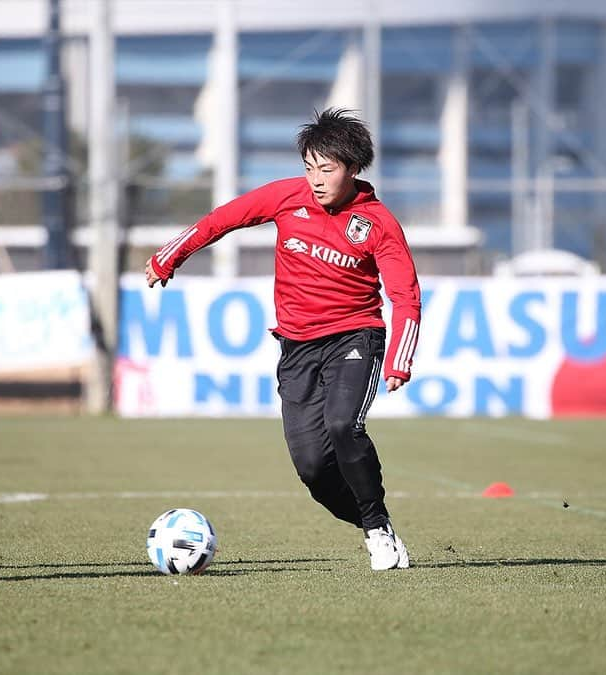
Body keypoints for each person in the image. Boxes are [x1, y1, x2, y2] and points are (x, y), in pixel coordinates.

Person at [145, 108, 421, 571]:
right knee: (313, 469)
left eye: (326, 169)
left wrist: (399, 360)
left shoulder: (378, 224)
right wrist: (168, 257)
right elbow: (221, 220)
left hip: (356, 336)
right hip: (296, 347)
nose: (315, 179)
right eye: (309, 167)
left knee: (342, 426)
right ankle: (376, 523)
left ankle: (377, 529)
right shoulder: (286, 197)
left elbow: (406, 295)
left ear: (353, 169)